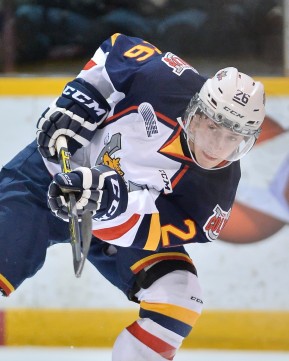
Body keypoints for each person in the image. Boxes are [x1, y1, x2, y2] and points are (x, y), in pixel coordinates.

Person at [0, 33, 265, 360]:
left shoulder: (213, 195)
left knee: (179, 297)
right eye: (212, 128)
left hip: (113, 223)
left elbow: (143, 228)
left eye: (232, 137)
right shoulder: (165, 80)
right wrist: (82, 97)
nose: (216, 147)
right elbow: (118, 48)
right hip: (46, 179)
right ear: (196, 110)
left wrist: (111, 201)